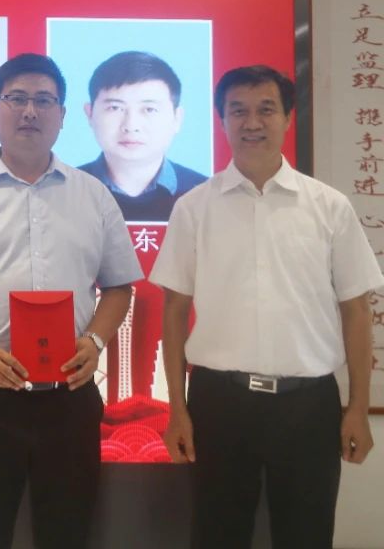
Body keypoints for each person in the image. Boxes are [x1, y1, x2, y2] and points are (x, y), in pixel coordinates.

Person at [0, 53, 141, 549]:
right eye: (17, 99)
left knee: (67, 534)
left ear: (63, 114)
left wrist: (95, 341)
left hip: (69, 398)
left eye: (44, 101)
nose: (30, 112)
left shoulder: (94, 195)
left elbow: (119, 286)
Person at [151, 65, 384, 549]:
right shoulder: (194, 208)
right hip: (219, 402)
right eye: (238, 111)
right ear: (222, 119)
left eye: (266, 109)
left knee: (306, 535)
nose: (252, 122)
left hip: (308, 406)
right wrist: (177, 409)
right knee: (217, 534)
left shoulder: (329, 207)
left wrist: (357, 408)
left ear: (287, 118)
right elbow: (174, 311)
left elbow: (356, 311)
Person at [78, 50, 207, 222]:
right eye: (115, 108)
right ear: (90, 114)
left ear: (177, 118)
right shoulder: (64, 192)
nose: (131, 126)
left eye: (149, 109)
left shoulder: (206, 194)